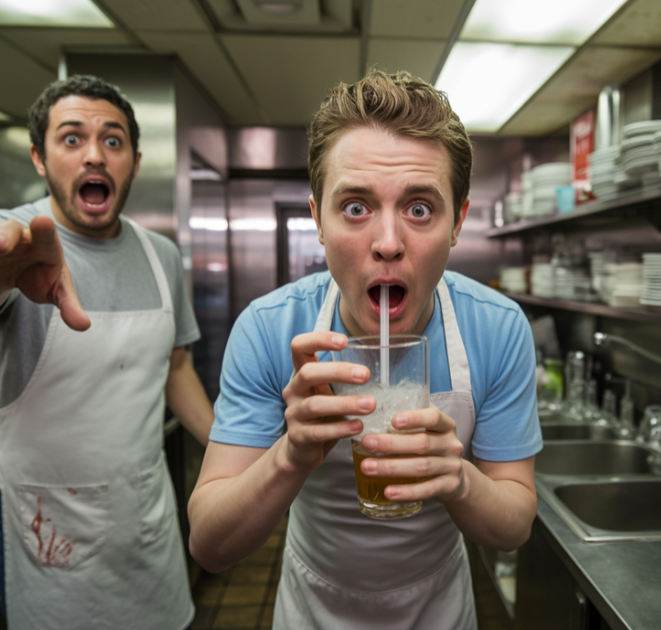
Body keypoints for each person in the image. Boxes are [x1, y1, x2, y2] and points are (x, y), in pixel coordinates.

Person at [188, 70, 542, 629]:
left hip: (439, 609)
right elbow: (209, 544)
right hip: (313, 608)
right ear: (318, 220)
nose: (387, 243)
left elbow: (515, 524)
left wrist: (458, 478)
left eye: (420, 208)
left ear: (458, 223)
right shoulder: (268, 329)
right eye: (355, 207)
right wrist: (291, 454)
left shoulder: (497, 329)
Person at [0, 75, 213, 630]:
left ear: (133, 158)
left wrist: (233, 450)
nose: (94, 156)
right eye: (72, 139)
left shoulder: (161, 256)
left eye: (113, 140)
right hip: (47, 530)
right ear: (39, 156)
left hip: (145, 517)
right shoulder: (7, 235)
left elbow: (175, 366)